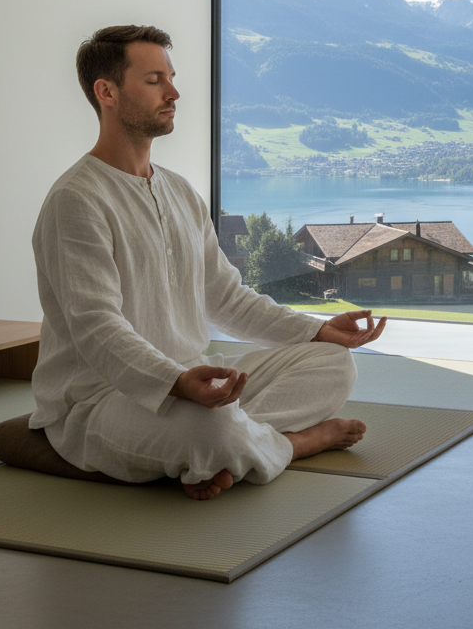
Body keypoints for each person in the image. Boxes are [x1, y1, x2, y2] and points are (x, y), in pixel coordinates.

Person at [30, 25, 386, 500]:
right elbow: (96, 327)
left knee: (333, 364)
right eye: (155, 80)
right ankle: (291, 445)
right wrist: (174, 383)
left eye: (171, 77)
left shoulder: (179, 191)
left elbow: (226, 298)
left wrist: (317, 330)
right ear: (107, 91)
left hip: (193, 379)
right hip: (102, 399)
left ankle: (231, 449)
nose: (174, 92)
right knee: (211, 432)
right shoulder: (76, 200)